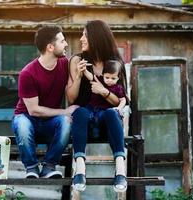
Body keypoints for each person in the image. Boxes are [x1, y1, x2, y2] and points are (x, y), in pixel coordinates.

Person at [66, 20, 128, 192]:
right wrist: (78, 77)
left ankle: (121, 171)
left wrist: (103, 91)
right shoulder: (77, 60)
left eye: (85, 35)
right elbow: (71, 99)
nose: (81, 39)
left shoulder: (114, 63)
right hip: (83, 123)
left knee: (111, 113)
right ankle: (80, 170)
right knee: (80, 112)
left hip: (107, 123)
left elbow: (121, 101)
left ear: (96, 37)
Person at [12, 25, 78, 179]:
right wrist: (65, 111)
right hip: (28, 118)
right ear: (50, 47)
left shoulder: (65, 65)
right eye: (62, 41)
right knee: (21, 124)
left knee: (66, 121)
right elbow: (33, 110)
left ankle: (49, 167)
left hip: (51, 122)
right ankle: (32, 168)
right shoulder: (28, 73)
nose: (66, 44)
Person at [83, 60, 127, 138]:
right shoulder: (100, 80)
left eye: (113, 78)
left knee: (99, 119)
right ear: (103, 75)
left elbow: (123, 99)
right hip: (91, 106)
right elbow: (91, 77)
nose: (109, 80)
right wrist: (84, 70)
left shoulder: (118, 88)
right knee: (84, 114)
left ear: (118, 78)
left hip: (104, 109)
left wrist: (119, 108)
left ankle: (96, 133)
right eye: (107, 77)